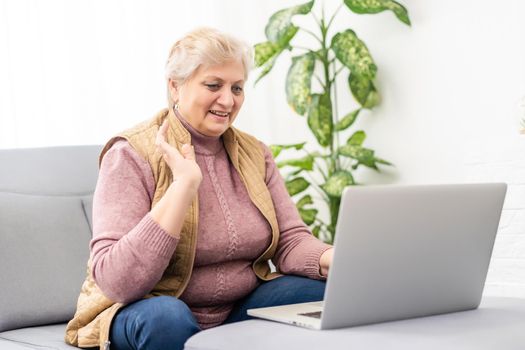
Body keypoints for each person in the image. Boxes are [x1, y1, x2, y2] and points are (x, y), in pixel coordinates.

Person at [65, 27, 334, 350]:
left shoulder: (254, 152)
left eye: (237, 87)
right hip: (144, 309)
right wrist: (183, 186)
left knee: (327, 294)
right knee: (167, 318)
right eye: (213, 85)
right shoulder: (130, 153)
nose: (228, 100)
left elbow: (290, 241)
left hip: (236, 308)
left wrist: (336, 259)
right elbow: (118, 282)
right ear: (175, 86)